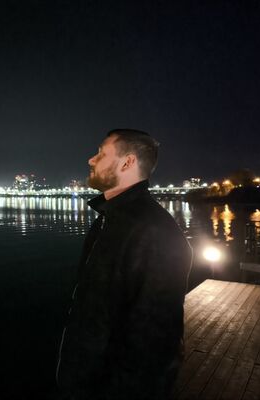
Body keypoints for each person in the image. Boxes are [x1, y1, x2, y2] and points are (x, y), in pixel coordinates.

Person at [55, 129, 192, 400]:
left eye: (101, 153)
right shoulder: (109, 219)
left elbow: (156, 340)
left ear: (127, 162)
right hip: (85, 380)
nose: (91, 160)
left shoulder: (154, 231)